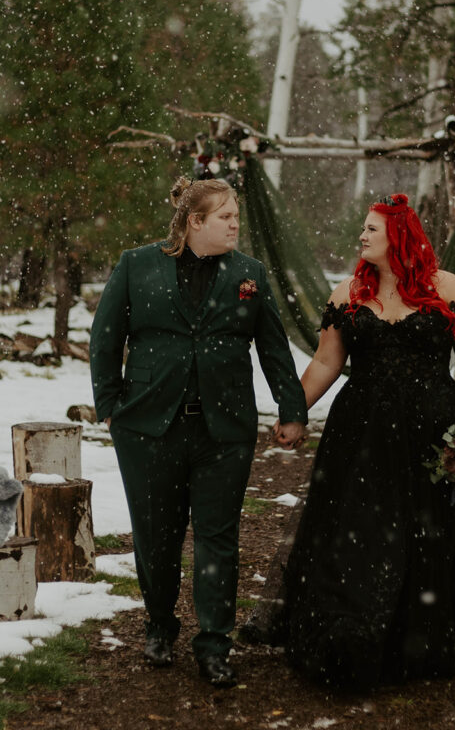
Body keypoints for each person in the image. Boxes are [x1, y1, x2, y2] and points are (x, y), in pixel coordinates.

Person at [274, 193, 455, 690]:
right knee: (362, 524)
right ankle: (355, 630)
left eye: (371, 229)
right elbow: (326, 363)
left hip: (434, 431)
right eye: (362, 229)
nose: (361, 236)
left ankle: (431, 633)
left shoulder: (448, 289)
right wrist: (293, 413)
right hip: (362, 432)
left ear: (399, 235)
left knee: (434, 529)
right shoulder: (348, 293)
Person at [90, 177, 307, 687]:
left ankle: (213, 643)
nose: (236, 224)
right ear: (195, 222)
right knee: (155, 536)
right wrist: (110, 406)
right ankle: (160, 627)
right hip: (146, 428)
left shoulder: (249, 274)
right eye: (226, 217)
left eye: (236, 216)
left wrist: (291, 408)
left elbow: (273, 348)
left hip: (224, 431)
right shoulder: (136, 265)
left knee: (218, 538)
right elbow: (105, 337)